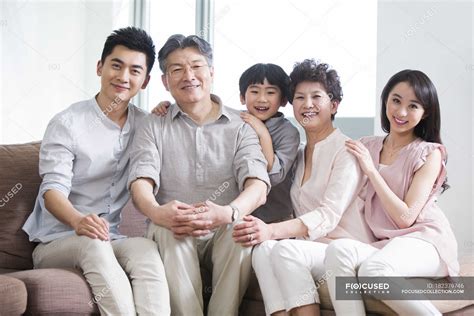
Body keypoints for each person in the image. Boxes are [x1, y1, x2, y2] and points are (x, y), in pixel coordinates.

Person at [22, 27, 170, 315]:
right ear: (100, 67)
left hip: (110, 237)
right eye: (116, 65)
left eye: (135, 70)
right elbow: (52, 191)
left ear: (146, 80)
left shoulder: (146, 125)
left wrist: (168, 109)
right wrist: (78, 221)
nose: (123, 77)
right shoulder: (68, 123)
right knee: (93, 244)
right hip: (57, 241)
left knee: (146, 250)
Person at [127, 34, 270, 316]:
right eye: (177, 69)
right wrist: (157, 212)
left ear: (211, 73)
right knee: (170, 228)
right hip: (175, 225)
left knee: (239, 228)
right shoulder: (153, 124)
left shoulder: (240, 126)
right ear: (165, 82)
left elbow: (258, 184)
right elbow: (141, 180)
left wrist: (228, 212)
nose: (188, 76)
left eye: (196, 66)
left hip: (223, 223)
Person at [234, 59, 375, 315]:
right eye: (300, 97)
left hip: (344, 248)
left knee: (283, 247)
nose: (307, 104)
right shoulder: (299, 154)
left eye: (316, 97)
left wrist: (271, 230)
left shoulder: (346, 151)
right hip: (310, 249)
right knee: (263, 250)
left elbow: (328, 215)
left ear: (334, 105)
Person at [325, 69, 459, 315]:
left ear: (425, 112)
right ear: (386, 99)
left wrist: (372, 171)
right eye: (396, 100)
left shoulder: (430, 153)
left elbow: (405, 217)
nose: (401, 112)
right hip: (386, 243)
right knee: (338, 250)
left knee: (372, 271)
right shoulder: (367, 146)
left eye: (413, 106)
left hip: (425, 239)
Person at [153, 63, 300, 223]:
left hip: (275, 217)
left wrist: (263, 134)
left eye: (270, 92)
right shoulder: (236, 121)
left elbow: (275, 176)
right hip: (238, 216)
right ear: (242, 97)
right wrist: (167, 107)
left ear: (284, 100)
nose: (262, 99)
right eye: (254, 91)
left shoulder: (288, 133)